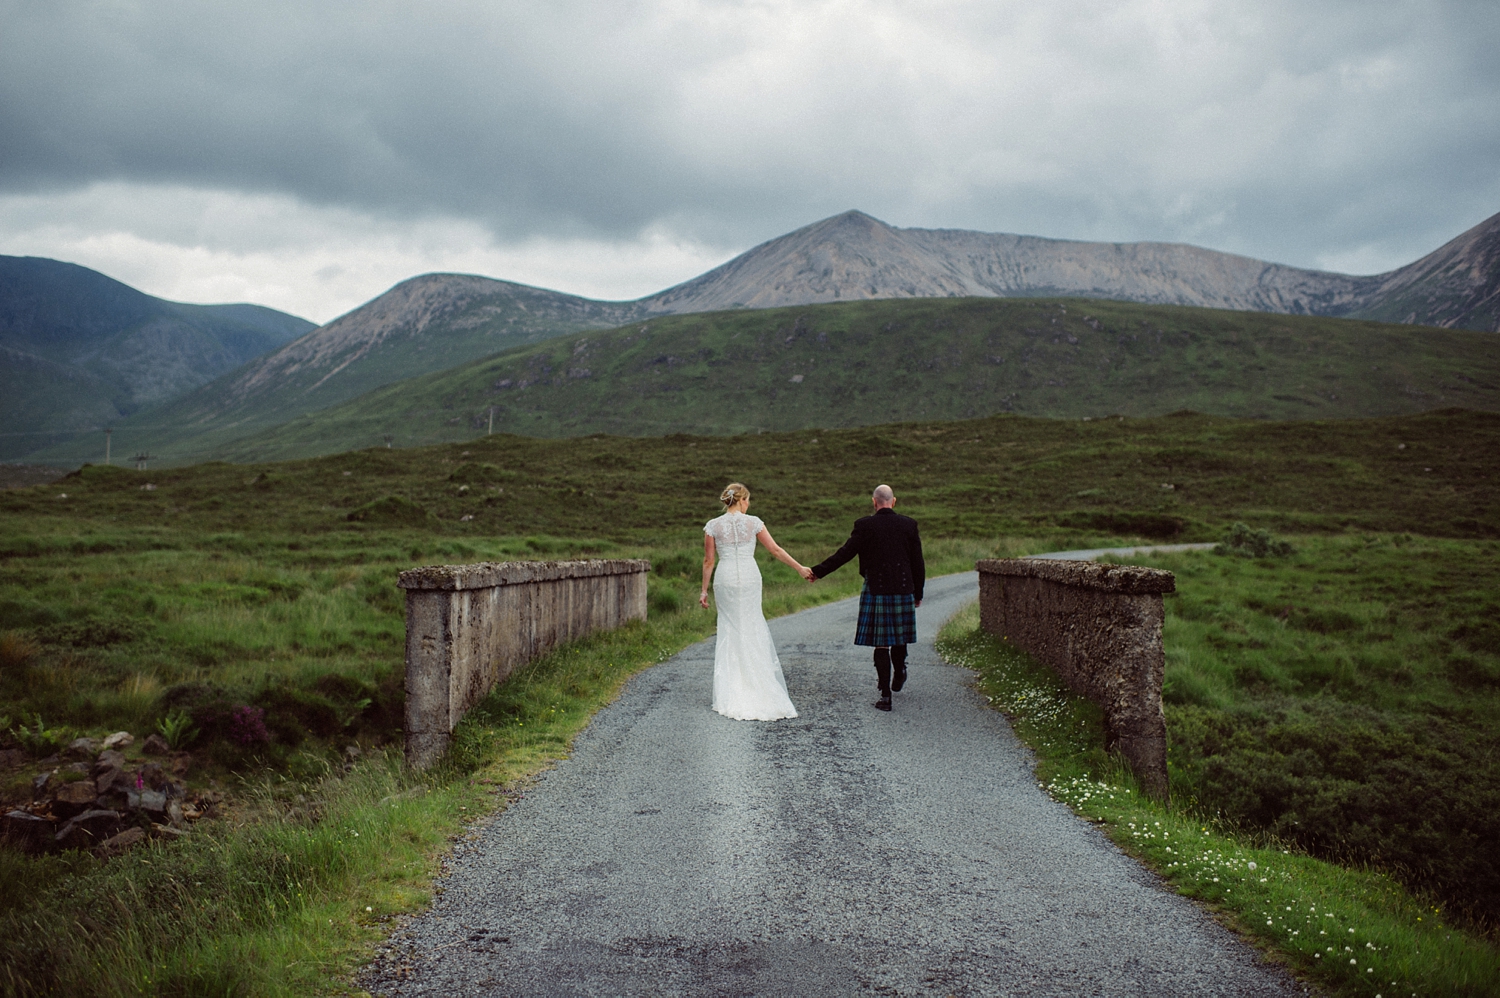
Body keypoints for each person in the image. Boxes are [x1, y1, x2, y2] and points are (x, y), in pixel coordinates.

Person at [700, 483, 815, 720]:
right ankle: (758, 683)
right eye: (748, 500)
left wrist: (703, 591)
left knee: (730, 628)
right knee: (751, 624)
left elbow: (708, 561)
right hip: (750, 579)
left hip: (726, 579)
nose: (748, 505)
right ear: (742, 500)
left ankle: (731, 689)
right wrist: (799, 568)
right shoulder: (754, 522)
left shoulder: (713, 526)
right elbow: (775, 550)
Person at [807, 484, 924, 711]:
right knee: (899, 637)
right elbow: (917, 561)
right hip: (902, 588)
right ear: (894, 501)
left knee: (881, 644)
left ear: (874, 502)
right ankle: (899, 671)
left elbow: (845, 553)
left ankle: (885, 695)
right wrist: (918, 592)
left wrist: (818, 571)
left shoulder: (865, 525)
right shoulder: (909, 525)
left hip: (876, 589)